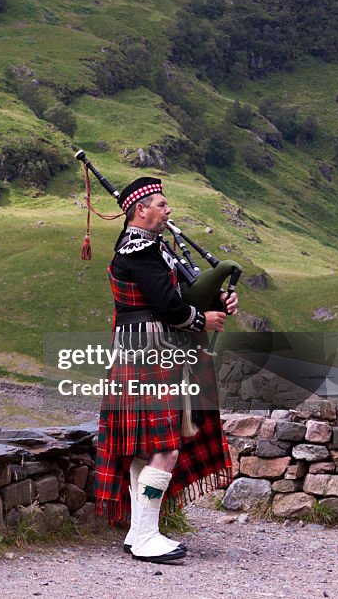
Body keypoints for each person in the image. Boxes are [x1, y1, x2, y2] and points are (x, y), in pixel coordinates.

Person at [94, 176, 235, 564]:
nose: (168, 210)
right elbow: (170, 307)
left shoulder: (153, 248)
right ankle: (146, 537)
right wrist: (201, 321)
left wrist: (219, 301)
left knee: (147, 450)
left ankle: (139, 533)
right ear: (141, 210)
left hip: (148, 349)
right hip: (149, 351)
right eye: (161, 203)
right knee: (165, 448)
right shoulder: (139, 249)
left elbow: (181, 293)